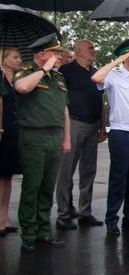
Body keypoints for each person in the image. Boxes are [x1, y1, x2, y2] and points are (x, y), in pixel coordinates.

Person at [13, 34, 71, 252]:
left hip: (55, 137)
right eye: (55, 53)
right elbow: (23, 88)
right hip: (34, 137)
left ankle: (43, 231)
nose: (59, 57)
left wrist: (66, 138)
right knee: (32, 187)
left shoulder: (59, 79)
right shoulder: (27, 71)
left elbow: (64, 109)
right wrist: (43, 69)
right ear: (42, 54)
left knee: (47, 187)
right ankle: (28, 234)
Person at [91, 37, 129, 236]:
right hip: (121, 133)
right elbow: (96, 78)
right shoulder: (114, 76)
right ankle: (111, 219)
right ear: (126, 56)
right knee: (119, 178)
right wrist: (116, 61)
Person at [55, 40, 105, 230]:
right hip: (73, 124)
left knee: (88, 171)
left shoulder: (95, 72)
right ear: (78, 51)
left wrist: (102, 127)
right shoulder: (65, 71)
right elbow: (60, 102)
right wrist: (64, 129)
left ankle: (85, 212)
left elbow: (100, 101)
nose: (94, 50)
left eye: (94, 47)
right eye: (90, 48)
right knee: (66, 171)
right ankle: (64, 213)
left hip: (93, 126)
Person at [0, 48, 23, 236]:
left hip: (14, 131)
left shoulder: (17, 80)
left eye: (19, 57)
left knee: (7, 176)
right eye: (14, 57)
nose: (19, 60)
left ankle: (4, 216)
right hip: (1, 130)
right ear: (3, 59)